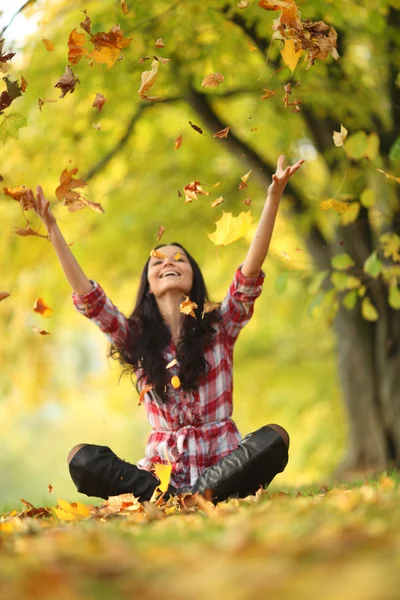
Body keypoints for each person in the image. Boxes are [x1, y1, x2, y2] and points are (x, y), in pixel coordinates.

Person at [29, 154, 304, 504]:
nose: (169, 263)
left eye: (179, 259)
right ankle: (171, 497)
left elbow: (249, 274)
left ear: (193, 277)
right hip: (160, 479)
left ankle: (198, 494)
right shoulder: (134, 336)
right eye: (158, 261)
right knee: (79, 457)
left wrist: (273, 198)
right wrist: (53, 230)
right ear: (149, 282)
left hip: (220, 469)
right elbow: (90, 298)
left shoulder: (221, 325)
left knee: (275, 437)